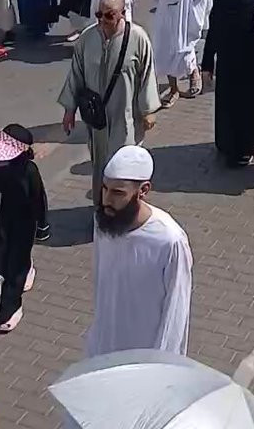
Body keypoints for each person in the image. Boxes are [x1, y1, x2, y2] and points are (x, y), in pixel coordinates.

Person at [87, 145, 192, 356]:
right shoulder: (104, 222)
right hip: (105, 342)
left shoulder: (169, 240)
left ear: (143, 190)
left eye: (118, 193)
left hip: (145, 351)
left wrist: (160, 364)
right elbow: (101, 281)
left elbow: (176, 311)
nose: (106, 200)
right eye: (105, 189)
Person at [58, 0, 160, 202]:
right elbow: (76, 74)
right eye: (99, 14)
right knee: (100, 163)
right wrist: (70, 110)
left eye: (109, 15)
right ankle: (101, 205)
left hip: (126, 116)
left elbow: (147, 75)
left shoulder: (138, 38)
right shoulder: (87, 38)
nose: (102, 20)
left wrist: (148, 110)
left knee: (124, 164)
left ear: (122, 13)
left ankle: (125, 208)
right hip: (97, 119)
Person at [201, 0, 254, 167]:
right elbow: (213, 35)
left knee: (249, 106)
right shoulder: (221, 3)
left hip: (253, 65)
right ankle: (227, 144)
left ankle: (247, 146)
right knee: (229, 107)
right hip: (228, 65)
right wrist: (207, 65)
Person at [0, 125, 49, 333]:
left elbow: (39, 200)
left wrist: (42, 228)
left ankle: (10, 308)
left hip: (20, 229)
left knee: (14, 267)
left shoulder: (29, 172)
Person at [146, 0, 212, 105]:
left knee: (184, 47)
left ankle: (193, 73)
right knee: (165, 49)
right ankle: (173, 88)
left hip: (185, 12)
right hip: (165, 11)